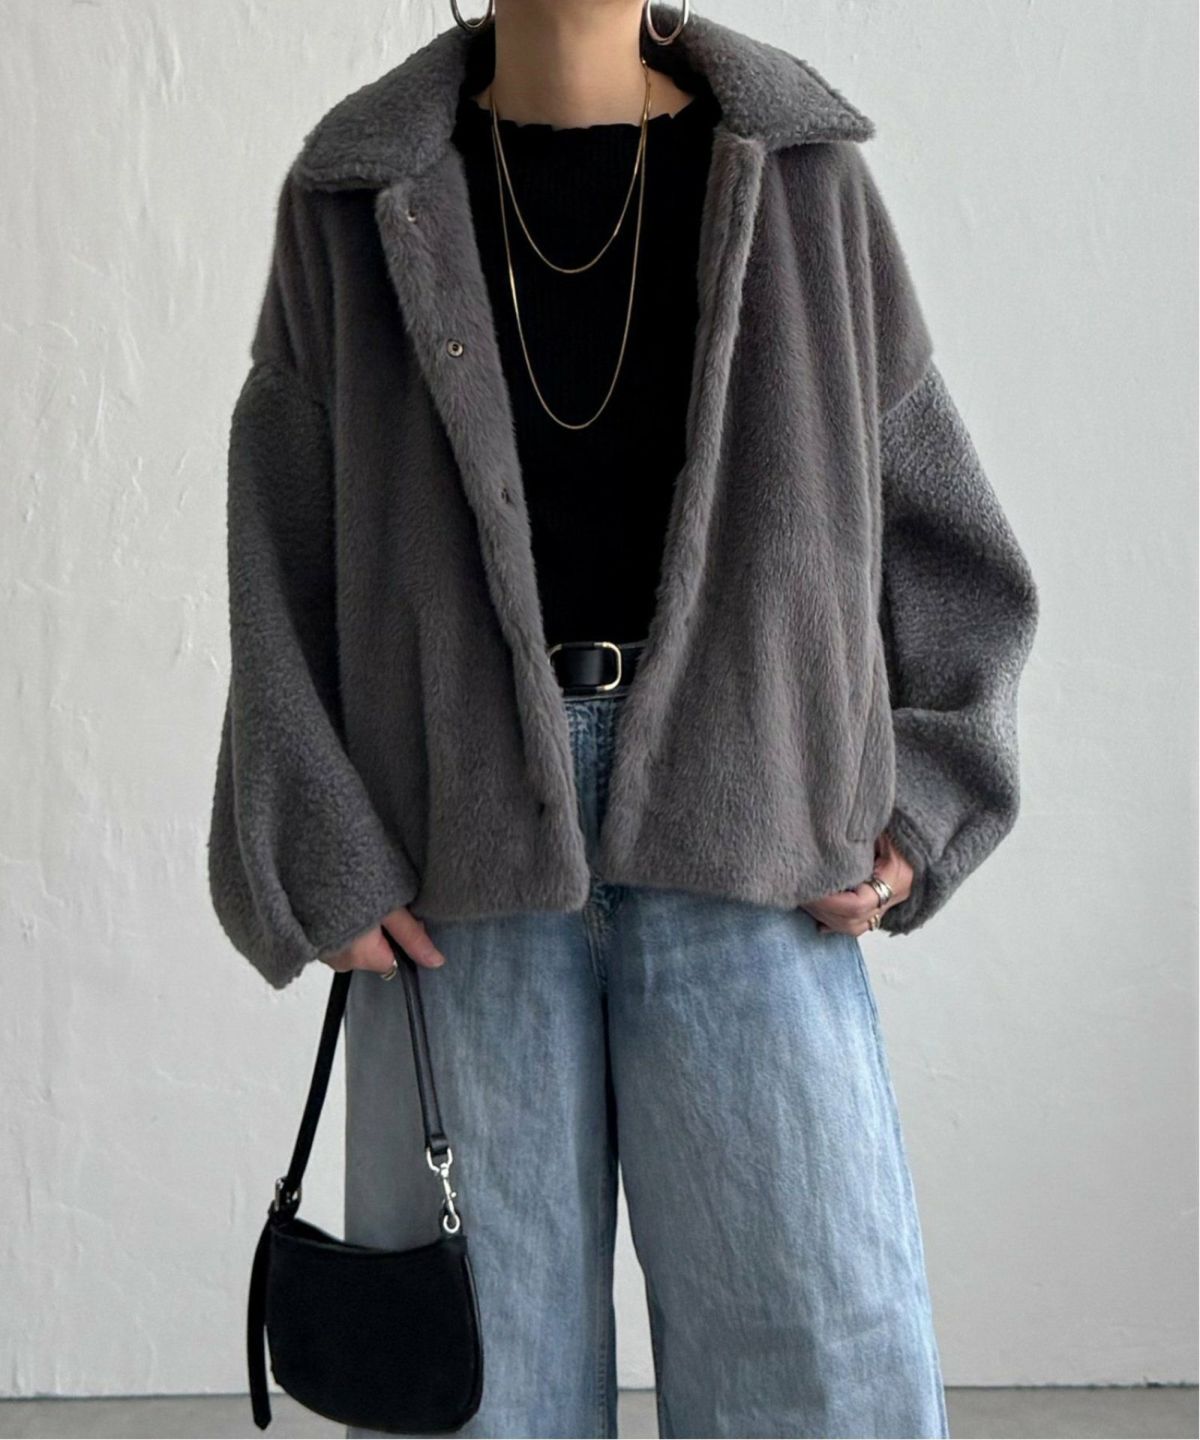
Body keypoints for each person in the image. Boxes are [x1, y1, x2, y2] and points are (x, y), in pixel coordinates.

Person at [207, 2, 1039, 1435]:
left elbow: (946, 535)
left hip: (756, 846)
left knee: (817, 1370)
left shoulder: (803, 179)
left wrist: (924, 801)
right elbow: (278, 543)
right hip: (453, 865)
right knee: (484, 1393)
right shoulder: (355, 197)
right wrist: (317, 842)